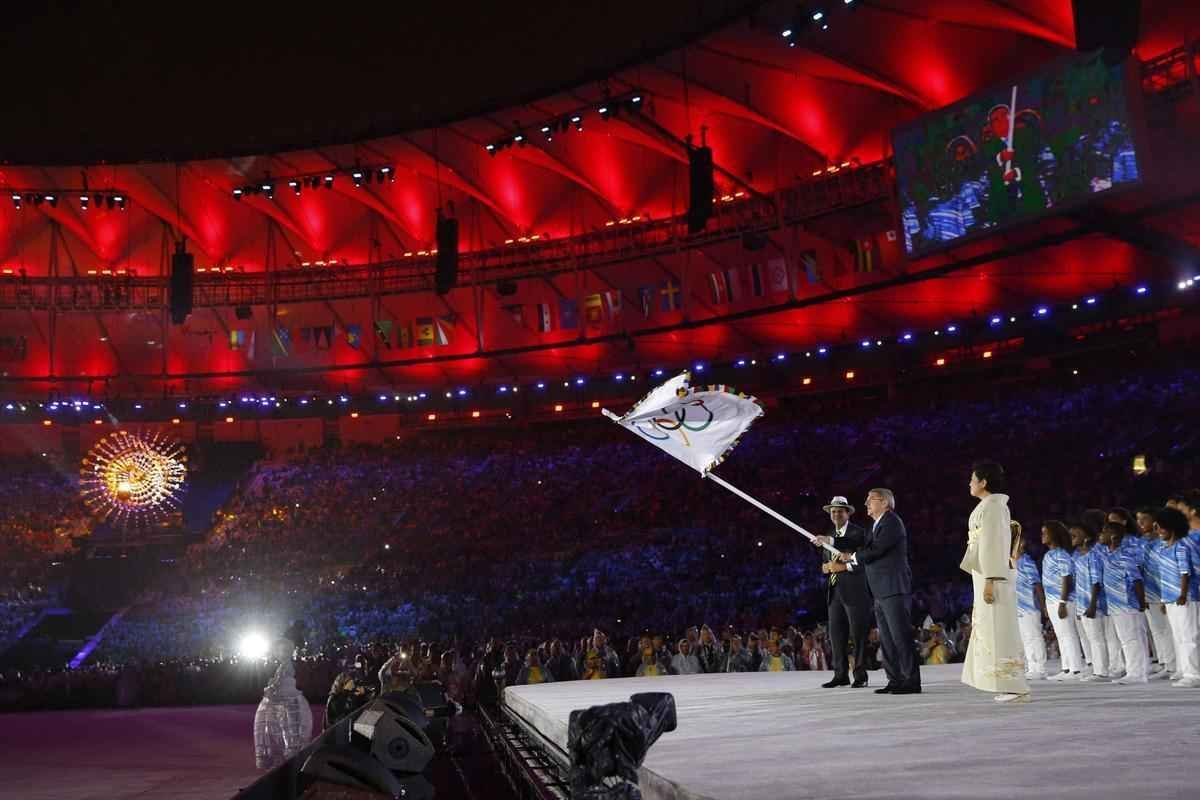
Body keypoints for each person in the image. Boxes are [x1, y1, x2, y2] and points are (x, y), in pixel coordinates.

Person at [836, 488, 921, 695]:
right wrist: (832, 543)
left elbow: (876, 551)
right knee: (887, 639)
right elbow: (864, 549)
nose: (866, 504)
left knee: (900, 636)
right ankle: (895, 679)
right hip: (880, 590)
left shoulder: (891, 522)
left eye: (870, 500)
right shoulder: (876, 525)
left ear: (884, 502)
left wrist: (852, 558)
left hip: (892, 588)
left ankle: (911, 680)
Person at [960, 461, 1030, 703]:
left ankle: (1014, 685)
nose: (970, 483)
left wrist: (991, 578)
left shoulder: (994, 507)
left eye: (973, 479)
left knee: (1000, 628)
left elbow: (995, 545)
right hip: (985, 574)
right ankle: (1003, 682)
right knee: (991, 628)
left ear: (983, 482)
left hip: (993, 575)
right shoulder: (988, 506)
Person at [814, 496, 871, 688]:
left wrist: (829, 541)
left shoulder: (858, 533)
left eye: (840, 511)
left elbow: (848, 544)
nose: (836, 514)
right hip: (835, 591)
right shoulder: (830, 534)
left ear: (848, 513)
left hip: (855, 591)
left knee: (858, 635)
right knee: (836, 635)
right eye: (833, 511)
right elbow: (827, 563)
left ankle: (860, 675)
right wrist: (825, 567)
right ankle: (840, 674)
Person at [1099, 522, 1150, 684]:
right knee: (1126, 639)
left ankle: (1137, 674)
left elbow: (1137, 580)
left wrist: (1141, 602)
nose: (1101, 535)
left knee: (1132, 639)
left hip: (1128, 604)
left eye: (1104, 532)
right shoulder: (1108, 555)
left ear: (1114, 537)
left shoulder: (1125, 556)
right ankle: (1135, 670)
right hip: (1115, 604)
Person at [1155, 508, 1200, 687]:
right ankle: (1184, 669)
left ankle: (1194, 674)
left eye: (1161, 528)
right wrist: (1164, 599)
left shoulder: (1181, 547)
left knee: (1189, 636)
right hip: (1170, 597)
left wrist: (1182, 593)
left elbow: (1185, 573)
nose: (1158, 531)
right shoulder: (1164, 549)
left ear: (1171, 528)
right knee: (1179, 636)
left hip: (1185, 597)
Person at [1041, 521, 1085, 681]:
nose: (1043, 536)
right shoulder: (1048, 555)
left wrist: (1062, 601)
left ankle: (1076, 669)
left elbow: (1067, 578)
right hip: (1052, 600)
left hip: (1063, 601)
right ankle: (1066, 668)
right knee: (1061, 635)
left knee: (1068, 634)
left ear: (1055, 534)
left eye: (1046, 532)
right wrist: (1047, 602)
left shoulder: (1062, 554)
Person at [1137, 507, 1176, 678]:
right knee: (1157, 629)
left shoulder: (1162, 543)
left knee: (1166, 629)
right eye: (1138, 520)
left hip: (1162, 592)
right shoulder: (1142, 543)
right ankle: (1163, 661)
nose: (1140, 524)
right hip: (1148, 592)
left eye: (1143, 520)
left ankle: (1172, 664)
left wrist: (1163, 595)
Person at [1012, 523, 1047, 680]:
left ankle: (1039, 668)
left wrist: (1043, 605)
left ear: (1022, 544)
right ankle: (1029, 666)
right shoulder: (1010, 563)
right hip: (1017, 608)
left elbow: (1037, 585)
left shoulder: (1027, 562)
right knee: (1023, 638)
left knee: (1033, 636)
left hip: (1030, 607)